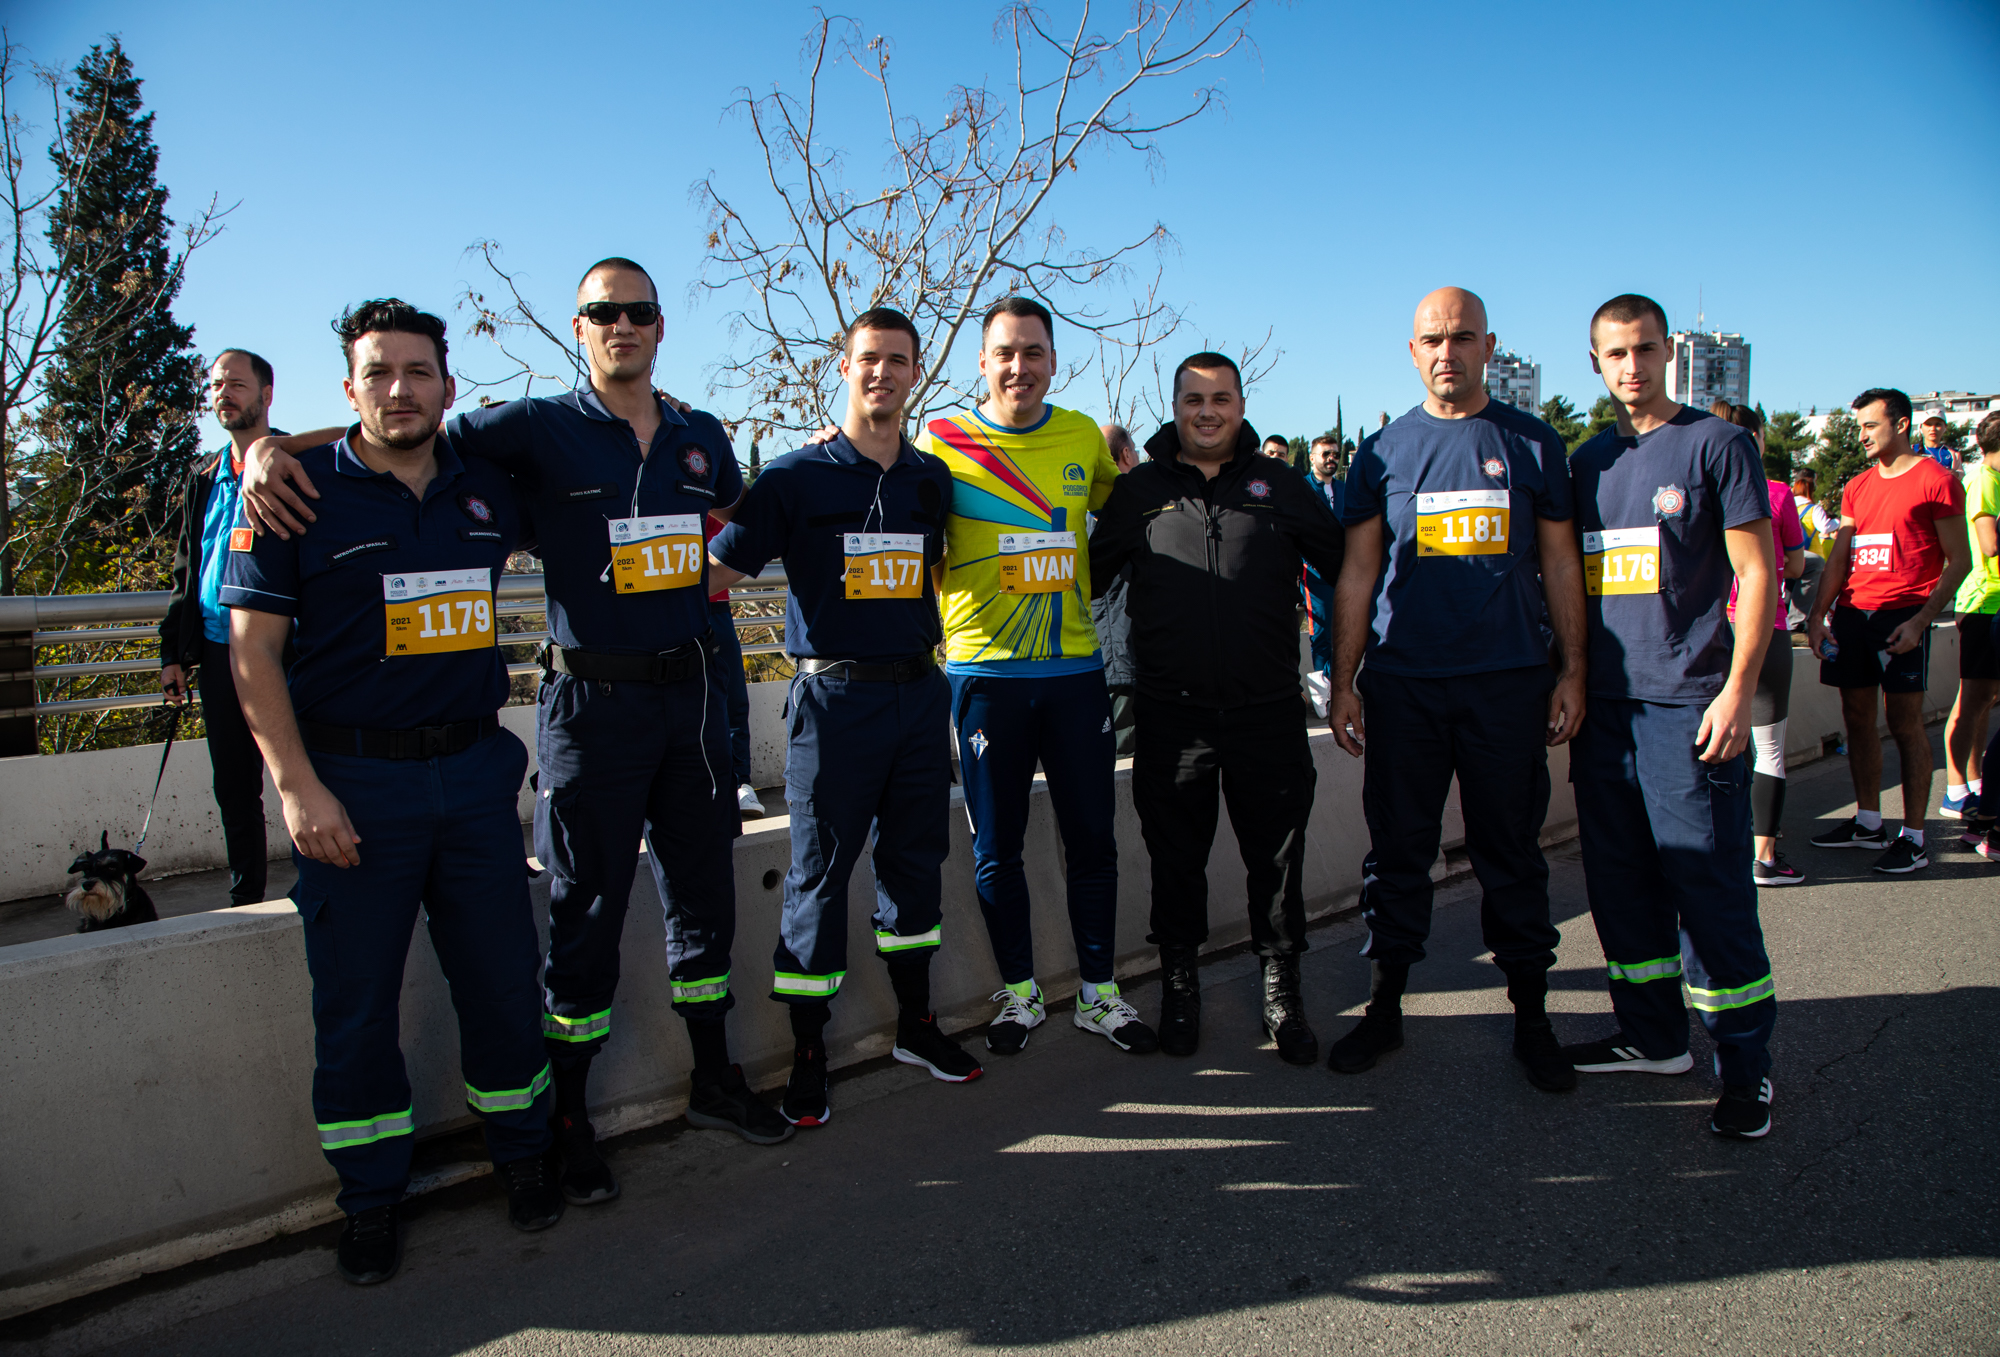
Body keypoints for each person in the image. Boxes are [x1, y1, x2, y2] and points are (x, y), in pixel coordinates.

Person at [239, 259, 791, 1210]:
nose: (621, 324)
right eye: (601, 312)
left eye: (638, 311)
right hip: (590, 710)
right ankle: (565, 1120)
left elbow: (730, 529)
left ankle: (713, 1077)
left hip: (690, 703)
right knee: (584, 913)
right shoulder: (531, 429)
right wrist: (269, 449)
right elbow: (403, 434)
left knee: (706, 897)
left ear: (662, 326)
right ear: (579, 328)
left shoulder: (704, 435)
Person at [221, 300, 561, 1284]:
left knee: (501, 981)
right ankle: (369, 1198)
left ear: (448, 390)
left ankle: (525, 1153)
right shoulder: (293, 491)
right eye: (379, 374)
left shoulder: (489, 487)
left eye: (418, 372)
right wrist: (296, 789)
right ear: (349, 390)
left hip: (470, 774)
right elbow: (252, 652)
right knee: (357, 1004)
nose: (399, 390)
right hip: (350, 787)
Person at [707, 307, 980, 1125]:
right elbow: (715, 578)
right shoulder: (793, 478)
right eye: (869, 359)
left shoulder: (932, 481)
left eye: (898, 360)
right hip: (832, 701)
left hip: (919, 692)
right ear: (845, 365)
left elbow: (940, 572)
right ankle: (809, 1053)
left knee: (915, 863)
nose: (882, 374)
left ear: (915, 371)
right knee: (818, 877)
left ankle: (916, 1025)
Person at [1322, 287, 1587, 1093]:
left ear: (1489, 346)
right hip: (1405, 687)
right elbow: (1360, 574)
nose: (1448, 351)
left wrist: (1572, 669)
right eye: (1433, 339)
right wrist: (1343, 681)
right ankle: (1385, 1007)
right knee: (1398, 852)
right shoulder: (1381, 454)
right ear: (1412, 351)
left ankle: (1533, 1017)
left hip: (1509, 686)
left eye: (1463, 337)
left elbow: (1562, 565)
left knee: (1510, 852)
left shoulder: (1535, 444)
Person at [1560, 293, 1780, 1140]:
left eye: (1646, 349)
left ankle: (1746, 1064)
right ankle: (1653, 1038)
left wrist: (1736, 690)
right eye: (1615, 354)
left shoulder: (1717, 444)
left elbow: (1755, 576)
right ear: (1596, 364)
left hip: (1689, 705)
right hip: (1604, 712)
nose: (1633, 367)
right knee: (1621, 884)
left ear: (1668, 352)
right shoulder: (1587, 463)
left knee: (1710, 887)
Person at [1089, 353, 1345, 1064]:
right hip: (1172, 718)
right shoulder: (1139, 489)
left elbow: (1348, 564)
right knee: (1177, 861)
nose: (1208, 411)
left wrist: (1351, 670)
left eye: (1221, 398)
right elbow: (1082, 578)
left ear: (1240, 403)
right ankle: (1179, 988)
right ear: (1173, 405)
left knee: (1278, 860)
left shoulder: (1283, 485)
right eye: (1194, 398)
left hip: (1267, 712)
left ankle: (1282, 992)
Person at [922, 297, 1152, 1055]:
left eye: (1033, 352)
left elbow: (1133, 513)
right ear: (982, 363)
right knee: (997, 846)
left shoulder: (1083, 433)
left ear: (1055, 360)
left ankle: (1098, 994)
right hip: (984, 677)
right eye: (1005, 353)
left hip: (1075, 672)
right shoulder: (942, 441)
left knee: (1094, 839)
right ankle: (1019, 993)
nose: (1019, 366)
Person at [1804, 388, 1969, 874]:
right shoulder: (1856, 486)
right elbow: (1840, 557)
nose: (1861, 437)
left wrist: (1921, 620)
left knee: (1905, 725)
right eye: (1858, 428)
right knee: (1856, 719)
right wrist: (1818, 614)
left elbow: (1959, 560)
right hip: (1855, 615)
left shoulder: (1936, 480)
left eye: (1870, 426)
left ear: (1900, 424)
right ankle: (1868, 822)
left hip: (1906, 614)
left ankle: (1914, 838)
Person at [159, 350, 283, 906]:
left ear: (266, 393)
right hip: (215, 650)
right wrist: (173, 652)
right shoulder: (203, 476)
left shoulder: (294, 461)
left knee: (307, 770)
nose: (222, 394)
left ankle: (328, 881)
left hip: (286, 649)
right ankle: (248, 898)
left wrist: (279, 449)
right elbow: (187, 568)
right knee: (234, 784)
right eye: (214, 386)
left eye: (236, 383)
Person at [1715, 404, 1808, 886]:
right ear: (1759, 441)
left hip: (1711, 629)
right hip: (1765, 626)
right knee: (1768, 748)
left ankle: (1720, 846)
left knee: (1714, 743)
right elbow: (1794, 564)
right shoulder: (1776, 494)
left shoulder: (1700, 488)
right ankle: (1764, 857)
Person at [1942, 410, 2000, 822]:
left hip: (1993, 603)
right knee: (1971, 700)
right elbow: (1989, 543)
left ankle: (1976, 784)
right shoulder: (1983, 480)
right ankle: (1955, 788)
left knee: (1985, 700)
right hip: (1981, 602)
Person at [704, 513, 763, 818]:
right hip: (655, 605)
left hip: (714, 604)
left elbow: (733, 531)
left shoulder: (697, 480)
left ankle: (740, 783)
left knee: (733, 699)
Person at [1092, 423, 1140, 757]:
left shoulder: (1074, 511)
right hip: (1124, 667)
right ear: (1125, 454)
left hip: (1096, 665)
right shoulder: (1130, 512)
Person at [1302, 433, 1344, 715]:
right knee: (1321, 633)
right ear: (1312, 456)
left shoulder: (1346, 489)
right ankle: (1322, 697)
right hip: (1314, 575)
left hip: (1345, 572)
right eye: (1325, 453)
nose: (1331, 459)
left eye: (1335, 454)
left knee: (1344, 631)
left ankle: (1337, 688)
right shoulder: (1301, 488)